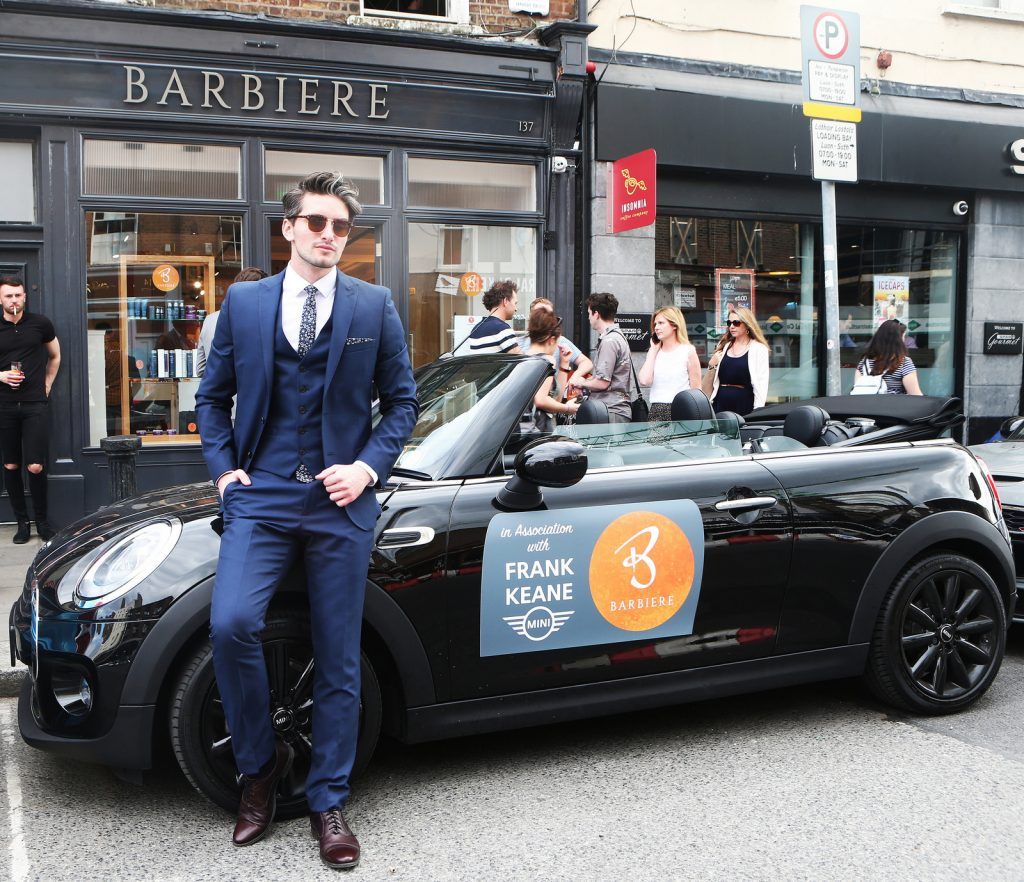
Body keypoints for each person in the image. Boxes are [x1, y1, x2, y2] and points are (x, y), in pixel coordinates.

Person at [195, 172, 418, 869]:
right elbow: (212, 398)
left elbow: (403, 404)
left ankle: (327, 799)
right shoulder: (246, 302)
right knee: (231, 624)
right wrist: (226, 470)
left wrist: (367, 468)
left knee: (338, 653)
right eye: (316, 222)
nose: (328, 235)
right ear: (288, 228)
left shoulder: (373, 305)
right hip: (260, 494)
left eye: (340, 227)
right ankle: (259, 769)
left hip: (340, 501)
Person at [0, 276, 61, 543]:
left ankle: (42, 523)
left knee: (35, 466)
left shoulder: (40, 324)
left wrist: (47, 384)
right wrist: (1, 376)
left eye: (17, 295)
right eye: (8, 296)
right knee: (11, 464)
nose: (14, 300)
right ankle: (22, 523)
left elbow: (55, 355)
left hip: (35, 403)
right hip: (4, 405)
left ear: (25, 297)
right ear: (1, 299)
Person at [569, 292, 632, 423]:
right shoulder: (616, 337)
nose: (588, 318)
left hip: (611, 411)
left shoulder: (609, 341)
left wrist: (581, 383)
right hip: (612, 410)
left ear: (596, 314)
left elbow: (603, 382)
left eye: (588, 313)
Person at [196, 267, 268, 377]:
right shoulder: (259, 319)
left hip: (216, 391)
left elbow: (200, 369)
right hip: (248, 391)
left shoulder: (210, 319)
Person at [638, 306, 701, 421]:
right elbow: (644, 380)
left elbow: (696, 389)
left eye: (661, 323)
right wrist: (653, 350)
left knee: (682, 440)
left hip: (683, 408)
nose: (656, 328)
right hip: (657, 410)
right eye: (655, 324)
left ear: (674, 325)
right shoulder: (654, 352)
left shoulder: (688, 351)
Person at [703, 306, 770, 416]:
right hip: (720, 403)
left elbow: (761, 385)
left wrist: (757, 412)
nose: (732, 326)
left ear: (747, 325)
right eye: (729, 323)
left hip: (744, 404)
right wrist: (712, 364)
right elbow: (711, 382)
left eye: (736, 323)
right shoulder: (723, 345)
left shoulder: (758, 349)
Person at [525, 311, 581, 431]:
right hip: (539, 431)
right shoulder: (546, 361)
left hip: (524, 431)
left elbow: (555, 400)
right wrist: (567, 409)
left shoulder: (523, 359)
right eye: (557, 342)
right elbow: (541, 400)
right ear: (551, 340)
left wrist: (564, 363)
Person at [516, 297, 594, 382]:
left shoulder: (560, 341)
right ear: (531, 317)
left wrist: (573, 377)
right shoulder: (518, 343)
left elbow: (586, 363)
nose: (544, 318)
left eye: (548, 315)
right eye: (539, 314)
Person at [854, 318, 923, 395]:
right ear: (898, 340)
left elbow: (858, 388)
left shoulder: (864, 362)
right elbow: (916, 395)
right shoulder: (904, 362)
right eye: (903, 336)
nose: (904, 339)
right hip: (894, 406)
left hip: (867, 406)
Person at [464, 280, 522, 355]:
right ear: (505, 301)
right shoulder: (502, 329)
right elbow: (521, 360)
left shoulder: (476, 329)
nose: (516, 309)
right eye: (515, 303)